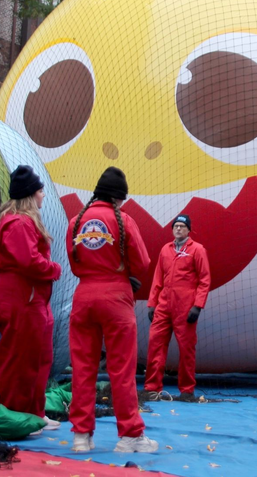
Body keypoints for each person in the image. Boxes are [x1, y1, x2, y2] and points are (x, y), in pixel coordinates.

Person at [66, 167, 157, 454]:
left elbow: (74, 263)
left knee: (82, 368)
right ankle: (129, 434)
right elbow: (142, 262)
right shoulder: (123, 220)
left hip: (84, 297)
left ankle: (81, 436)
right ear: (119, 198)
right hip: (115, 297)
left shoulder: (75, 222)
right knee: (121, 369)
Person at [0, 165, 62, 432]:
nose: (44, 195)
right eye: (41, 191)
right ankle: (14, 415)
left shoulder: (17, 220)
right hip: (21, 297)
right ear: (30, 195)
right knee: (19, 359)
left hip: (30, 298)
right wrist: (53, 268)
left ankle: (34, 412)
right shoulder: (19, 222)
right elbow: (28, 261)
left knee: (38, 357)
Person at [145, 214, 211, 402]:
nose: (179, 229)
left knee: (187, 348)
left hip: (186, 306)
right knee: (155, 344)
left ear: (189, 230)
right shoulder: (165, 250)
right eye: (176, 226)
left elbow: (204, 279)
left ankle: (187, 390)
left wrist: (197, 306)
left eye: (182, 226)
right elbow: (158, 278)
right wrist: (152, 304)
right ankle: (151, 388)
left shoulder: (197, 250)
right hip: (164, 304)